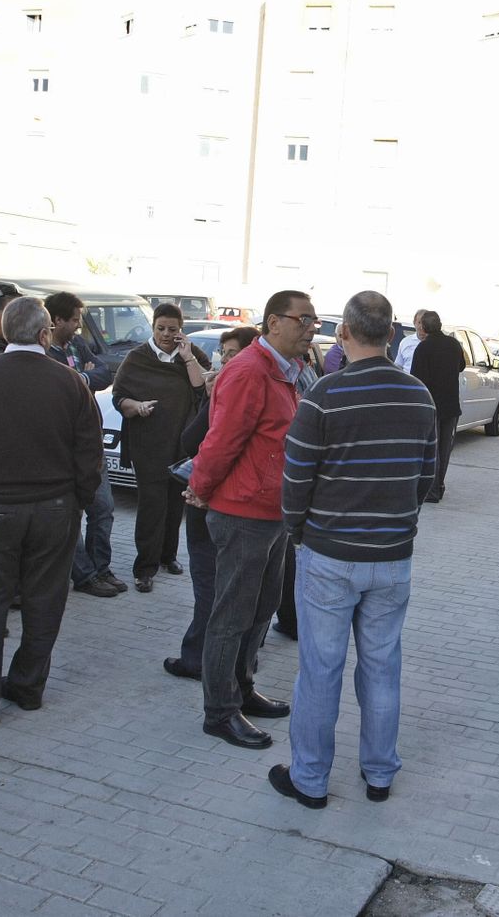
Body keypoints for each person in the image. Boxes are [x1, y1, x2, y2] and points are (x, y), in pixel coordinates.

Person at [268, 291, 438, 809]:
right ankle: (380, 774)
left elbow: (296, 479)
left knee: (320, 669)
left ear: (343, 332)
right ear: (391, 335)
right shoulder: (420, 397)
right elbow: (425, 478)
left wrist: (298, 532)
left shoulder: (323, 395)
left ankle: (311, 780)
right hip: (392, 557)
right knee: (382, 666)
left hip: (328, 555)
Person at [0, 297, 102, 727]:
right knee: (45, 602)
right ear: (46, 333)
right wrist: (77, 504)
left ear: (6, 332)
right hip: (54, 510)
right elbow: (89, 454)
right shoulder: (70, 383)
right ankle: (27, 687)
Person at [185, 290, 316, 750]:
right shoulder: (249, 371)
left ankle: (242, 689)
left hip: (272, 511)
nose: (311, 328)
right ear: (274, 322)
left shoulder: (287, 372)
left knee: (261, 609)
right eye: (304, 319)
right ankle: (219, 711)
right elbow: (220, 441)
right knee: (232, 614)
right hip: (241, 512)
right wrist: (199, 489)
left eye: (314, 321)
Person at [163, 324, 259, 680]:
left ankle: (200, 660)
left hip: (214, 503)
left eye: (232, 354)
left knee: (210, 585)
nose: (224, 361)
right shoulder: (270, 381)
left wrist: (210, 398)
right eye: (224, 354)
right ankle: (237, 660)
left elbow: (194, 440)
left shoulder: (234, 389)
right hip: (242, 507)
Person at [111, 303, 208, 593]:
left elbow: (204, 388)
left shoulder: (190, 354)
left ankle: (168, 557)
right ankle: (144, 568)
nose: (166, 334)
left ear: (181, 330)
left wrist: (188, 357)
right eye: (161, 328)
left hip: (181, 443)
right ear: (152, 328)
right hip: (148, 444)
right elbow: (119, 397)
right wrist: (136, 406)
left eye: (173, 329)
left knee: (175, 502)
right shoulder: (137, 357)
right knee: (152, 506)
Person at [44, 291, 124, 598]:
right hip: (64, 449)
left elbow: (103, 372)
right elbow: (60, 388)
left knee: (103, 508)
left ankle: (101, 567)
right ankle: (85, 575)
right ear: (57, 320)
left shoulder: (77, 345)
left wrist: (80, 378)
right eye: (75, 319)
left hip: (91, 445)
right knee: (72, 516)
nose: (80, 326)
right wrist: (82, 378)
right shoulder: (45, 354)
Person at [409, 310, 467, 504]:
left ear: (424, 327)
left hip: (431, 405)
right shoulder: (453, 344)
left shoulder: (423, 348)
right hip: (451, 405)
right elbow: (461, 366)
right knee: (444, 448)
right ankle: (439, 485)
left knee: (432, 449)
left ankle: (432, 490)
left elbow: (416, 379)